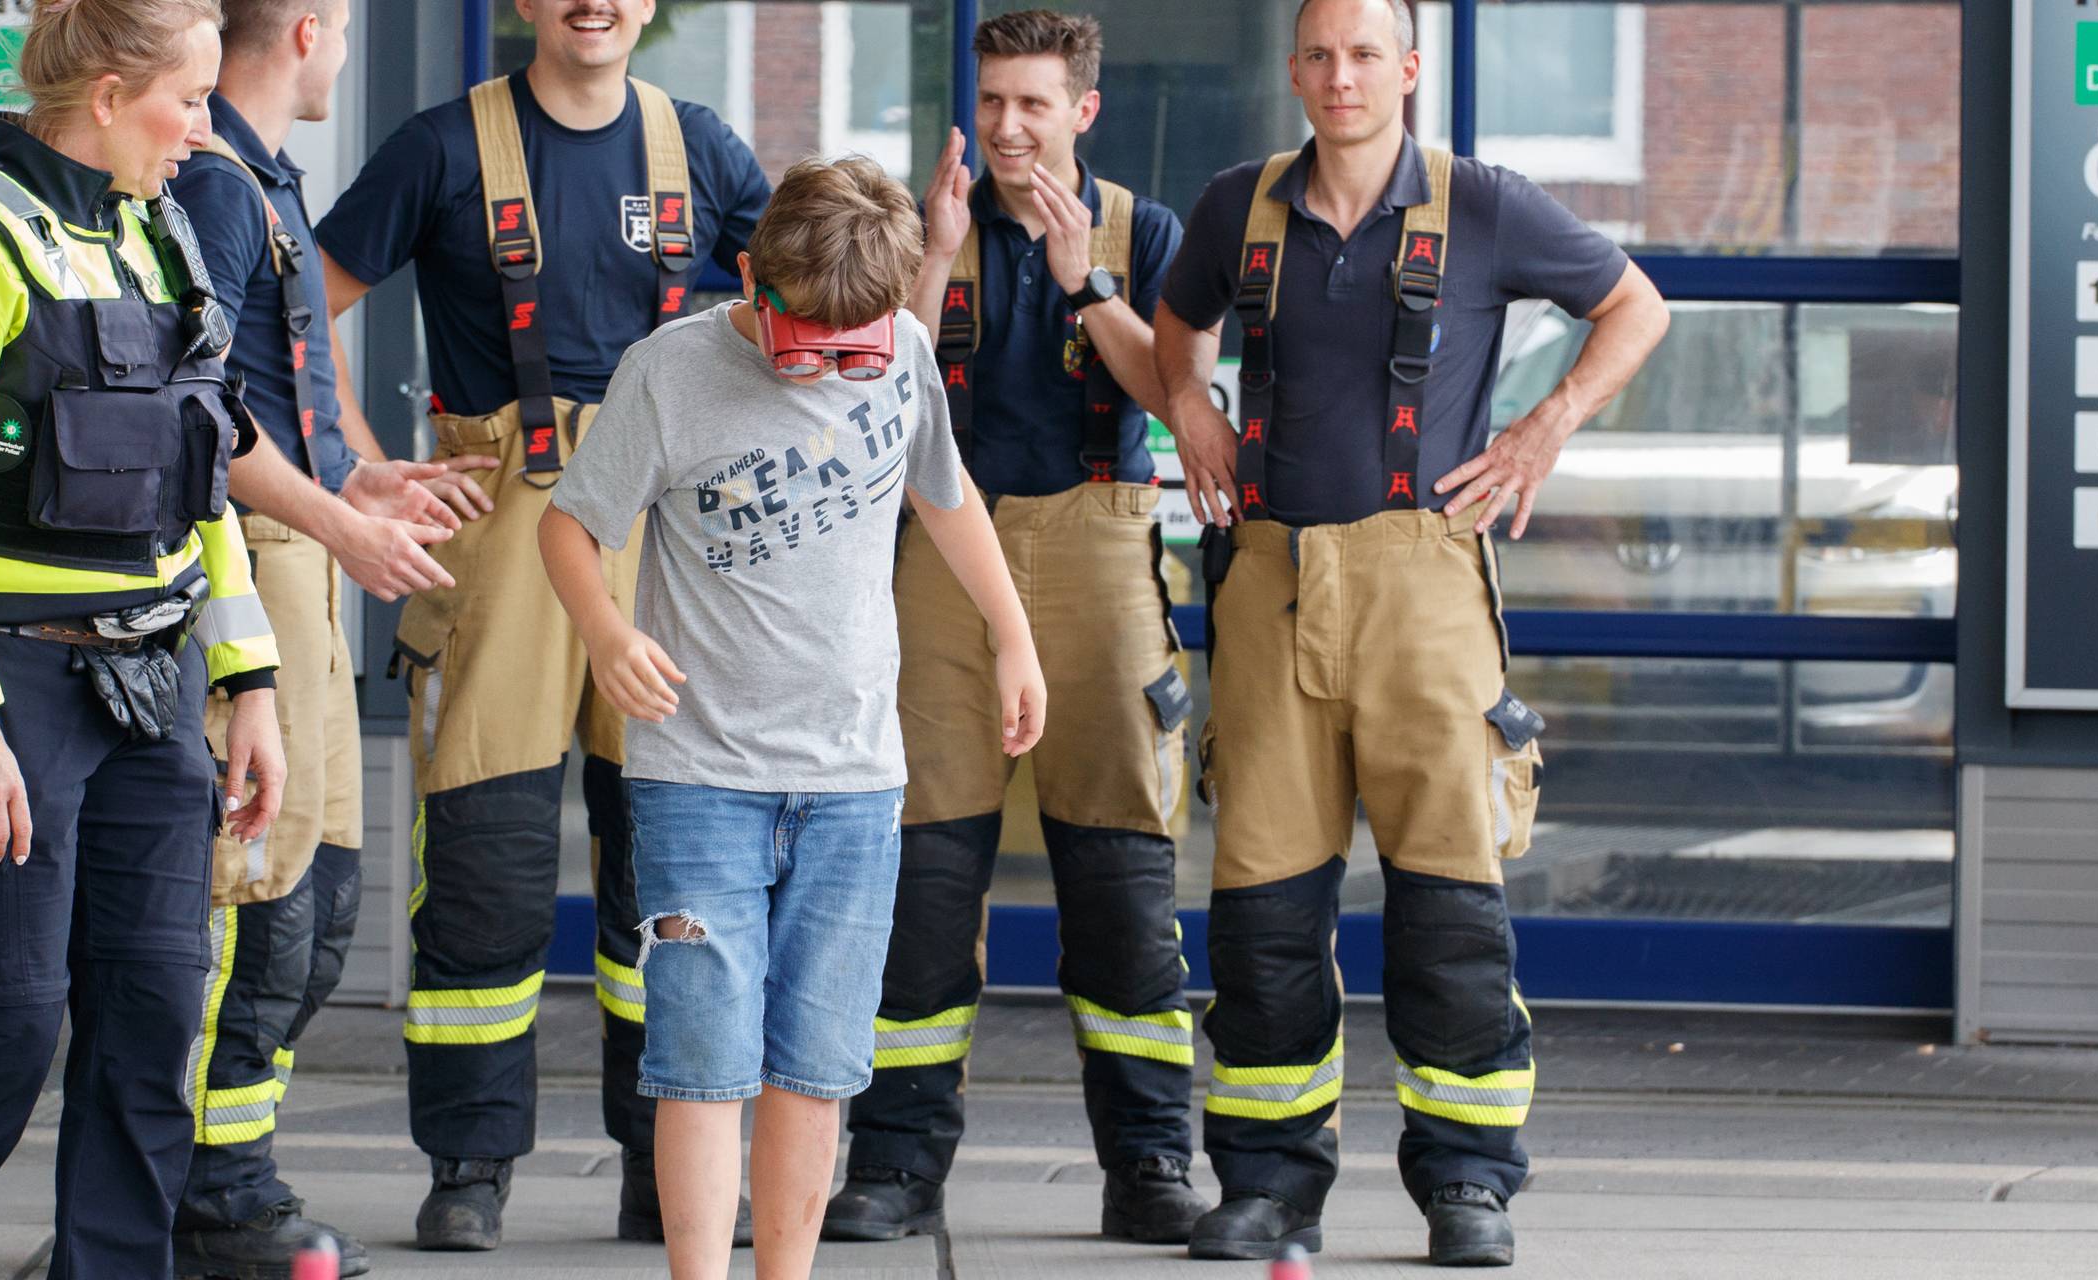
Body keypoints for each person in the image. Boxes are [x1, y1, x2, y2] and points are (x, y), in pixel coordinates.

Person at [1151, 0, 1668, 1265]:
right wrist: (1190, 409)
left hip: (1427, 580)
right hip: (1268, 582)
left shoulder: (1485, 204)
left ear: (1410, 70)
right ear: (1295, 70)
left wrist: (1543, 430)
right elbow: (1177, 326)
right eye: (1320, 55)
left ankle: (1468, 1181)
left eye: (1365, 54)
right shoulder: (1237, 205)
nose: (1341, 77)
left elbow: (1637, 308)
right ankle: (1270, 1183)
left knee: (1449, 903)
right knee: (1266, 910)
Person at [0, 2, 290, 1275]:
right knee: (0, 1028)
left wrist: (248, 676)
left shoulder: (158, 238)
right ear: (104, 95)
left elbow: (200, 485)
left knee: (151, 1019)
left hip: (152, 680)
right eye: (185, 101)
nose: (203, 131)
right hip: (4, 679)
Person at [311, 0, 772, 1250]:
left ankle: (658, 1162)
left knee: (668, 871)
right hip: (502, 520)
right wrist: (359, 469)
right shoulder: (440, 146)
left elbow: (808, 303)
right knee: (483, 855)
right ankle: (469, 1162)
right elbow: (297, 307)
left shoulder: (707, 152)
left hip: (665, 535)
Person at [537, 154, 1046, 1280]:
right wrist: (608, 633)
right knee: (705, 1059)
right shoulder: (669, 375)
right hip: (698, 776)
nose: (828, 371)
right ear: (755, 287)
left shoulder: (901, 349)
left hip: (856, 778)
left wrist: (1013, 633)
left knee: (817, 1065)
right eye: (807, 344)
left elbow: (944, 494)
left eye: (853, 351)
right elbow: (571, 527)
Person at [826, 9, 1204, 1248]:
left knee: (1120, 881)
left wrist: (1081, 277)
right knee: (925, 878)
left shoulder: (1146, 231)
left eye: (1035, 104)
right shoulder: (924, 223)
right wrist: (933, 257)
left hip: (1101, 547)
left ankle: (1150, 1161)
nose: (1008, 126)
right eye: (992, 102)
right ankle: (895, 1161)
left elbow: (1173, 397)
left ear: (1082, 111)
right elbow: (880, 393)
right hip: (946, 551)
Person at [161, 2, 464, 1274]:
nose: (341, 52)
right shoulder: (225, 188)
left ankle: (238, 1168)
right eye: (340, 30)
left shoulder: (263, 177)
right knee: (258, 893)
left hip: (307, 559)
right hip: (268, 569)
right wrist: (337, 523)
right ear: (306, 27)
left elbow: (286, 387)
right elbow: (210, 411)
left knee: (318, 891)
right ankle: (209, 1189)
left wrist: (366, 484)